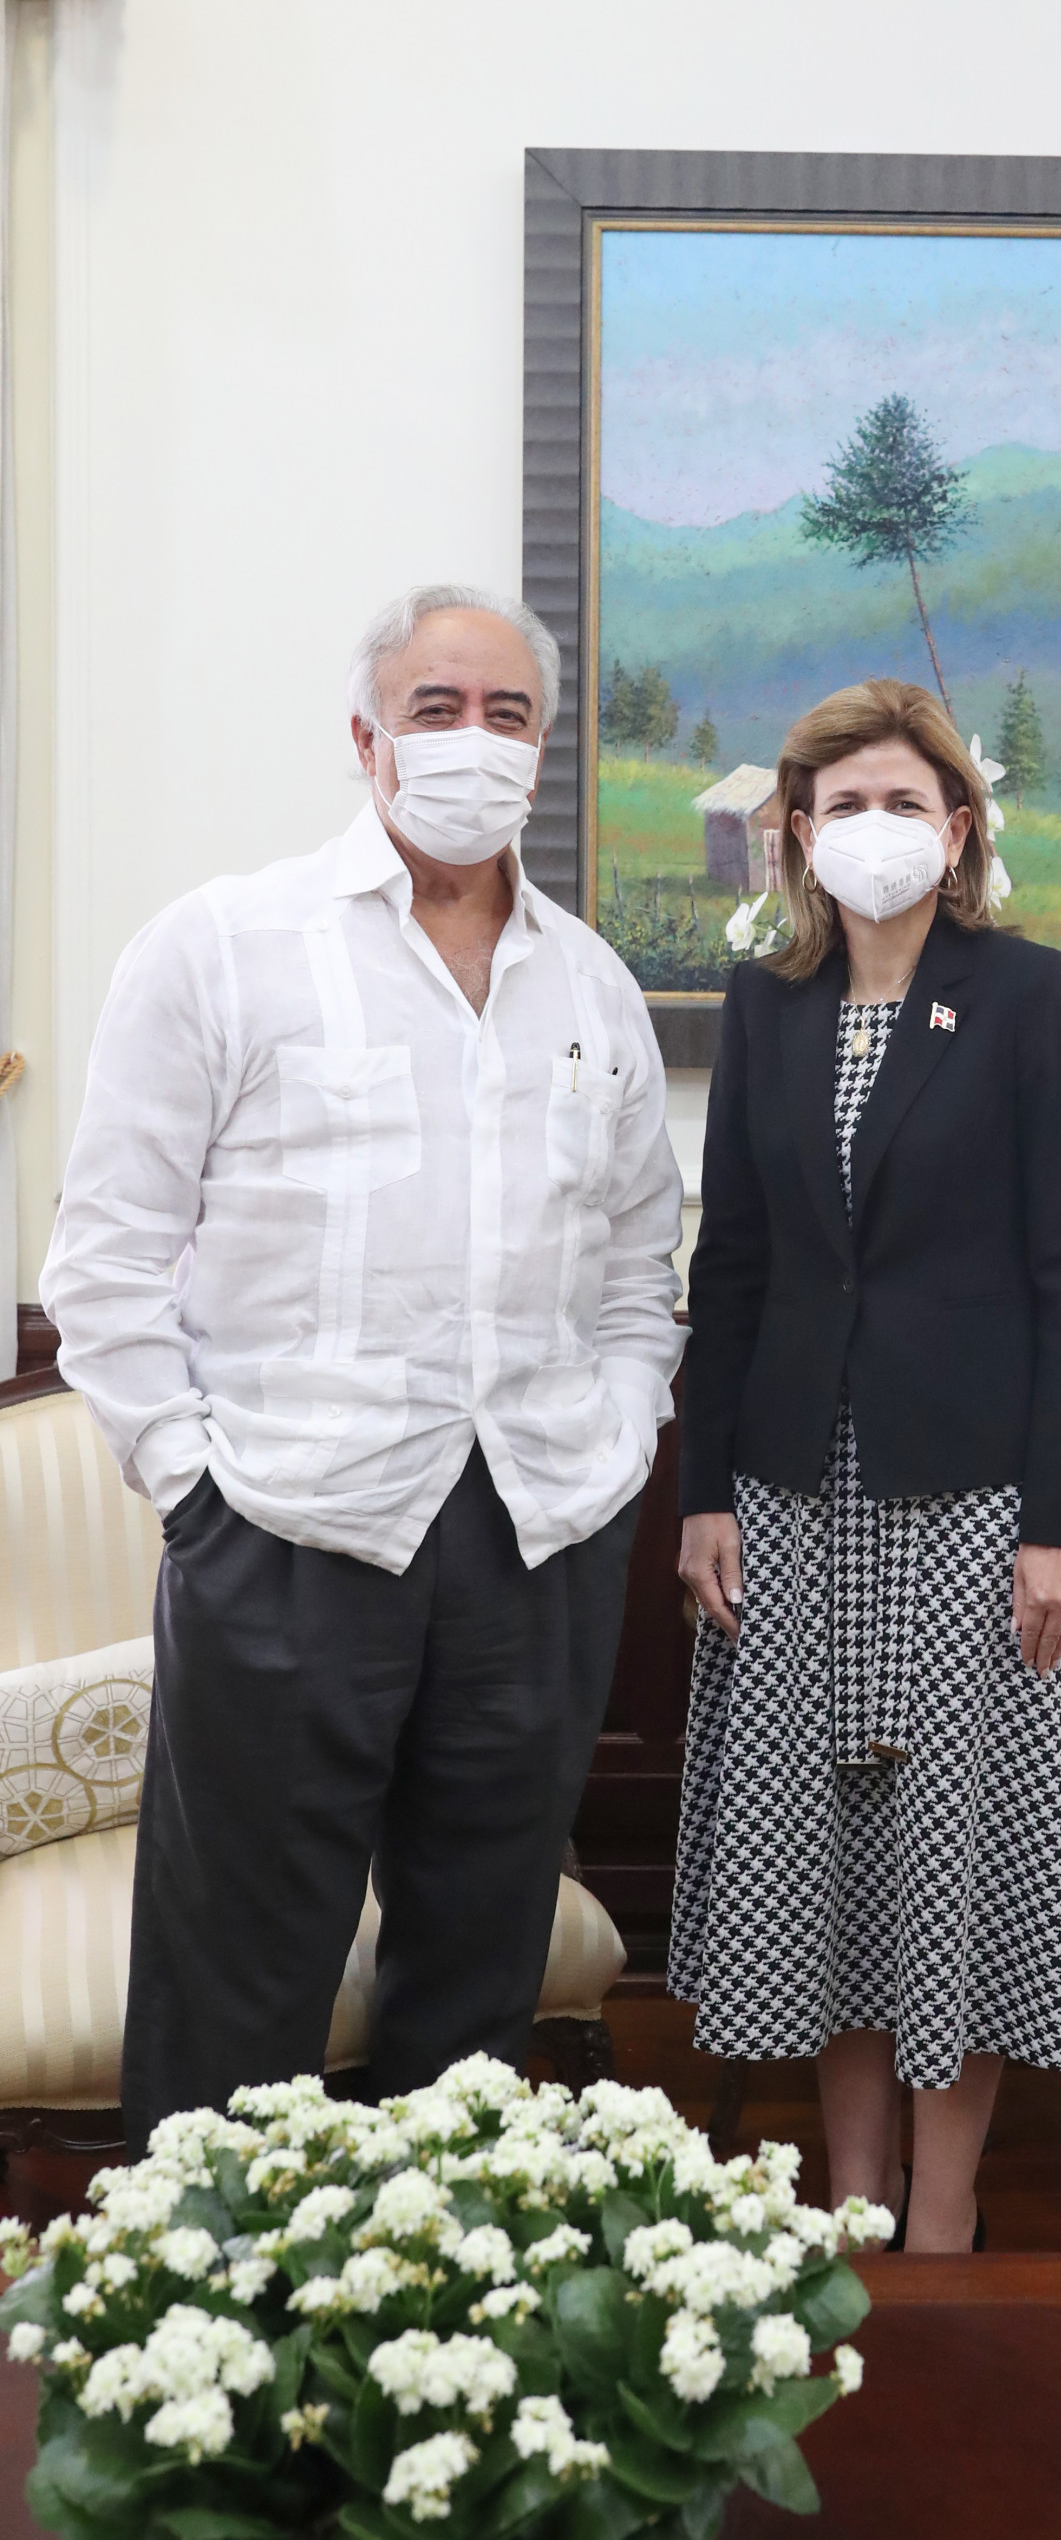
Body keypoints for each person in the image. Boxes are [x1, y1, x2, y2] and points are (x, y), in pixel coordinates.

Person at [42, 584, 683, 2146]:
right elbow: (104, 1257)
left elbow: (636, 1269)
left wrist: (617, 1449)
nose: (474, 739)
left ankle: (439, 2292)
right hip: (284, 1535)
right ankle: (208, 2303)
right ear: (365, 735)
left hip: (536, 1537)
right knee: (237, 1985)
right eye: (436, 707)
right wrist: (195, 1492)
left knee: (476, 1987)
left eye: (508, 713)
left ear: (546, 747)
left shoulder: (592, 986)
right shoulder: (222, 947)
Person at [670, 676, 1061, 2254]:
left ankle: (944, 2211)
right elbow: (732, 1266)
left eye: (903, 802)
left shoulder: (1026, 994)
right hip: (790, 1501)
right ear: (798, 834)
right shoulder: (767, 1007)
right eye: (842, 805)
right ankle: (852, 2202)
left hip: (978, 1510)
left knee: (956, 1855)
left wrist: (1059, 1523)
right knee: (829, 1868)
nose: (871, 828)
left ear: (957, 832)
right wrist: (701, 1491)